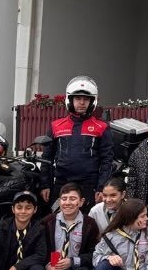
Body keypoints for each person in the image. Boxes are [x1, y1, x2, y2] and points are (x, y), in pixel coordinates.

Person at [40, 75, 113, 212]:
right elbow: (46, 157)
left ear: (92, 101)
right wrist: (45, 185)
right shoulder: (56, 126)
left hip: (88, 185)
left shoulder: (102, 127)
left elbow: (107, 160)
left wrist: (101, 187)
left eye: (86, 99)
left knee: (87, 222)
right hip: (61, 183)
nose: (82, 102)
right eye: (78, 98)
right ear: (70, 100)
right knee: (56, 216)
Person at [41, 183, 100, 270]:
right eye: (64, 198)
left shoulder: (89, 224)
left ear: (81, 202)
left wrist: (73, 261)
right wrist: (48, 265)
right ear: (59, 201)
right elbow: (39, 250)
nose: (67, 203)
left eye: (72, 199)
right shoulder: (48, 222)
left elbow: (95, 253)